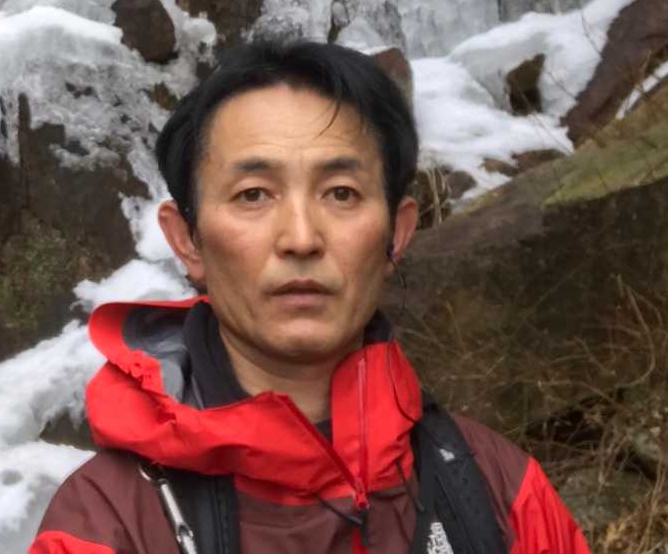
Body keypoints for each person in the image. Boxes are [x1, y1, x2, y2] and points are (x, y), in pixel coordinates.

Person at [30, 39, 591, 554]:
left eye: (340, 193)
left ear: (397, 233)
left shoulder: (500, 495)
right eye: (254, 194)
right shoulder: (104, 527)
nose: (301, 238)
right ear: (187, 240)